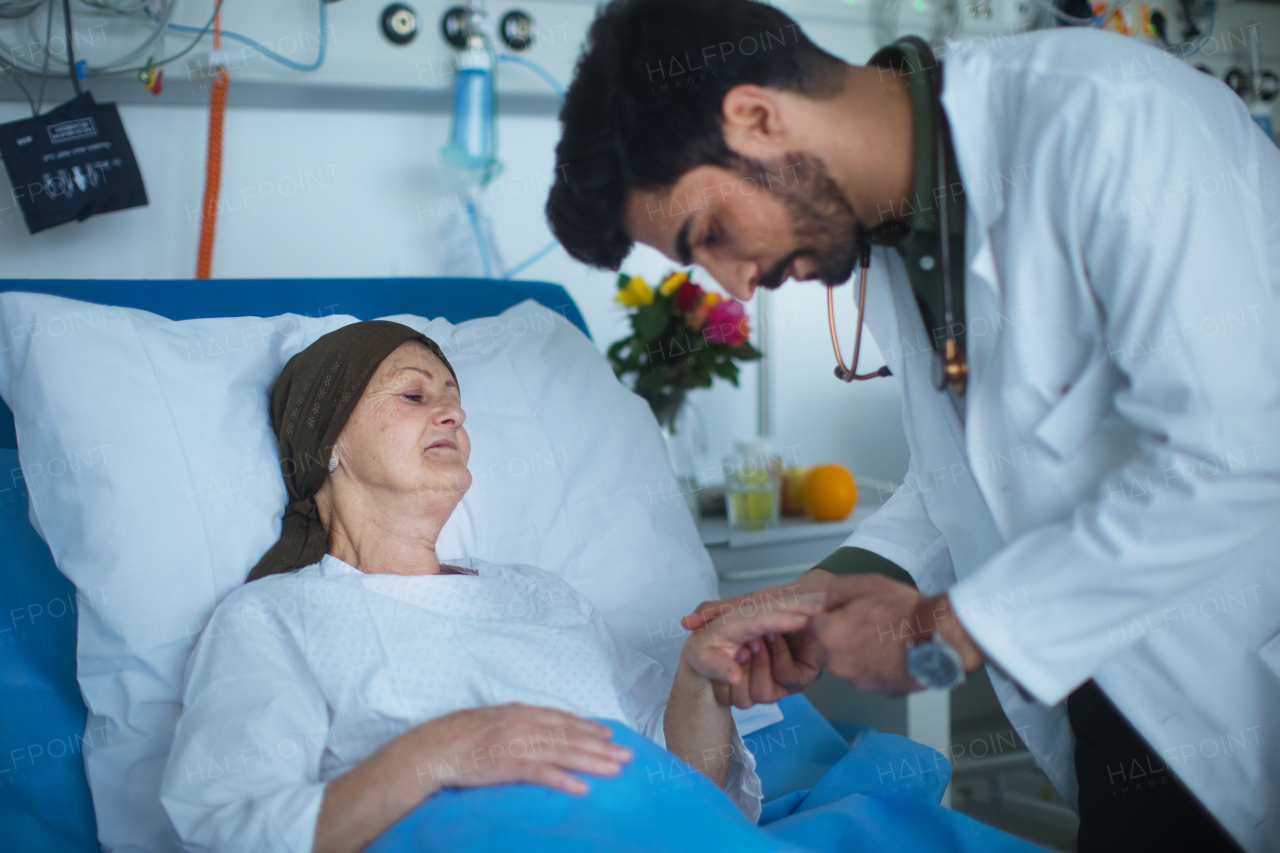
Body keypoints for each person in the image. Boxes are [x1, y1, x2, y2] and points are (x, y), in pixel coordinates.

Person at [544, 2, 1280, 852]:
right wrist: (808, 596)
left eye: (710, 232)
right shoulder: (896, 237)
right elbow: (976, 479)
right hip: (1122, 712)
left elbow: (1239, 455)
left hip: (1240, 679)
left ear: (756, 116)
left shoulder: (1109, 119)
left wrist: (943, 634)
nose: (735, 288)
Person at [159, 321, 818, 853]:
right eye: (415, 395)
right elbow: (227, 827)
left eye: (455, 401)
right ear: (328, 439)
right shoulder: (274, 616)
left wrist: (703, 680)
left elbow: (683, 784)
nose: (451, 412)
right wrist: (432, 755)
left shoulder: (543, 596)